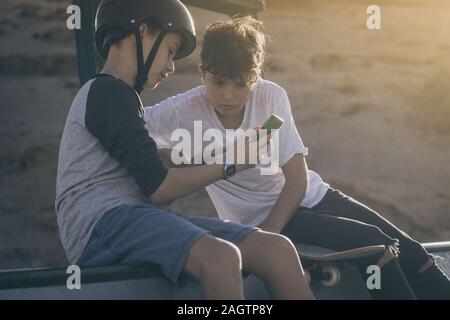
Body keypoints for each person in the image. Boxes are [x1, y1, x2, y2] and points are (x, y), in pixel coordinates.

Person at [144, 16, 450, 300]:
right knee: (375, 247)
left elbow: (297, 179)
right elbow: (126, 122)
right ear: (202, 73)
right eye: (218, 82)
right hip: (260, 219)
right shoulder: (180, 112)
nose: (228, 95)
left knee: (411, 251)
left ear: (256, 75)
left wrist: (268, 237)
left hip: (308, 197)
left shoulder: (271, 97)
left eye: (241, 84)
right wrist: (264, 241)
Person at [55, 0, 314, 300]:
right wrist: (231, 163)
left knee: (277, 250)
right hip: (101, 225)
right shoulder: (106, 93)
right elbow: (159, 188)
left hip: (137, 218)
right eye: (170, 50)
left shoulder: (124, 99)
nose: (171, 66)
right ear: (142, 32)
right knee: (221, 258)